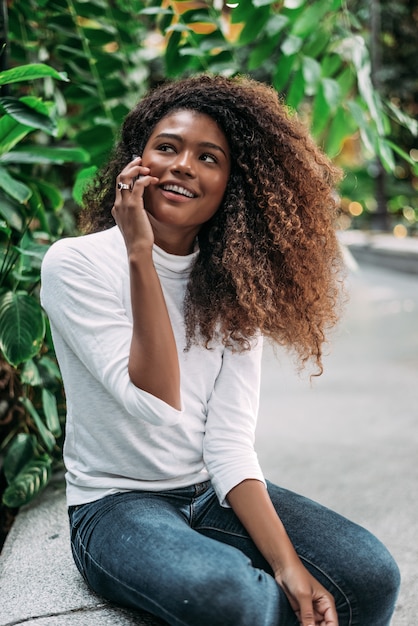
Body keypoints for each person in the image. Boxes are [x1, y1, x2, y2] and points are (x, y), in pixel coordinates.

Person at [40, 75, 400, 626]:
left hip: (210, 493)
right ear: (136, 161)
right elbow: (156, 399)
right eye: (167, 147)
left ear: (232, 185)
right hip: (115, 506)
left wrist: (289, 567)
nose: (183, 165)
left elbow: (228, 445)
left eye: (209, 157)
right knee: (232, 596)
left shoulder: (233, 285)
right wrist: (140, 252)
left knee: (369, 575)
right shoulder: (76, 265)